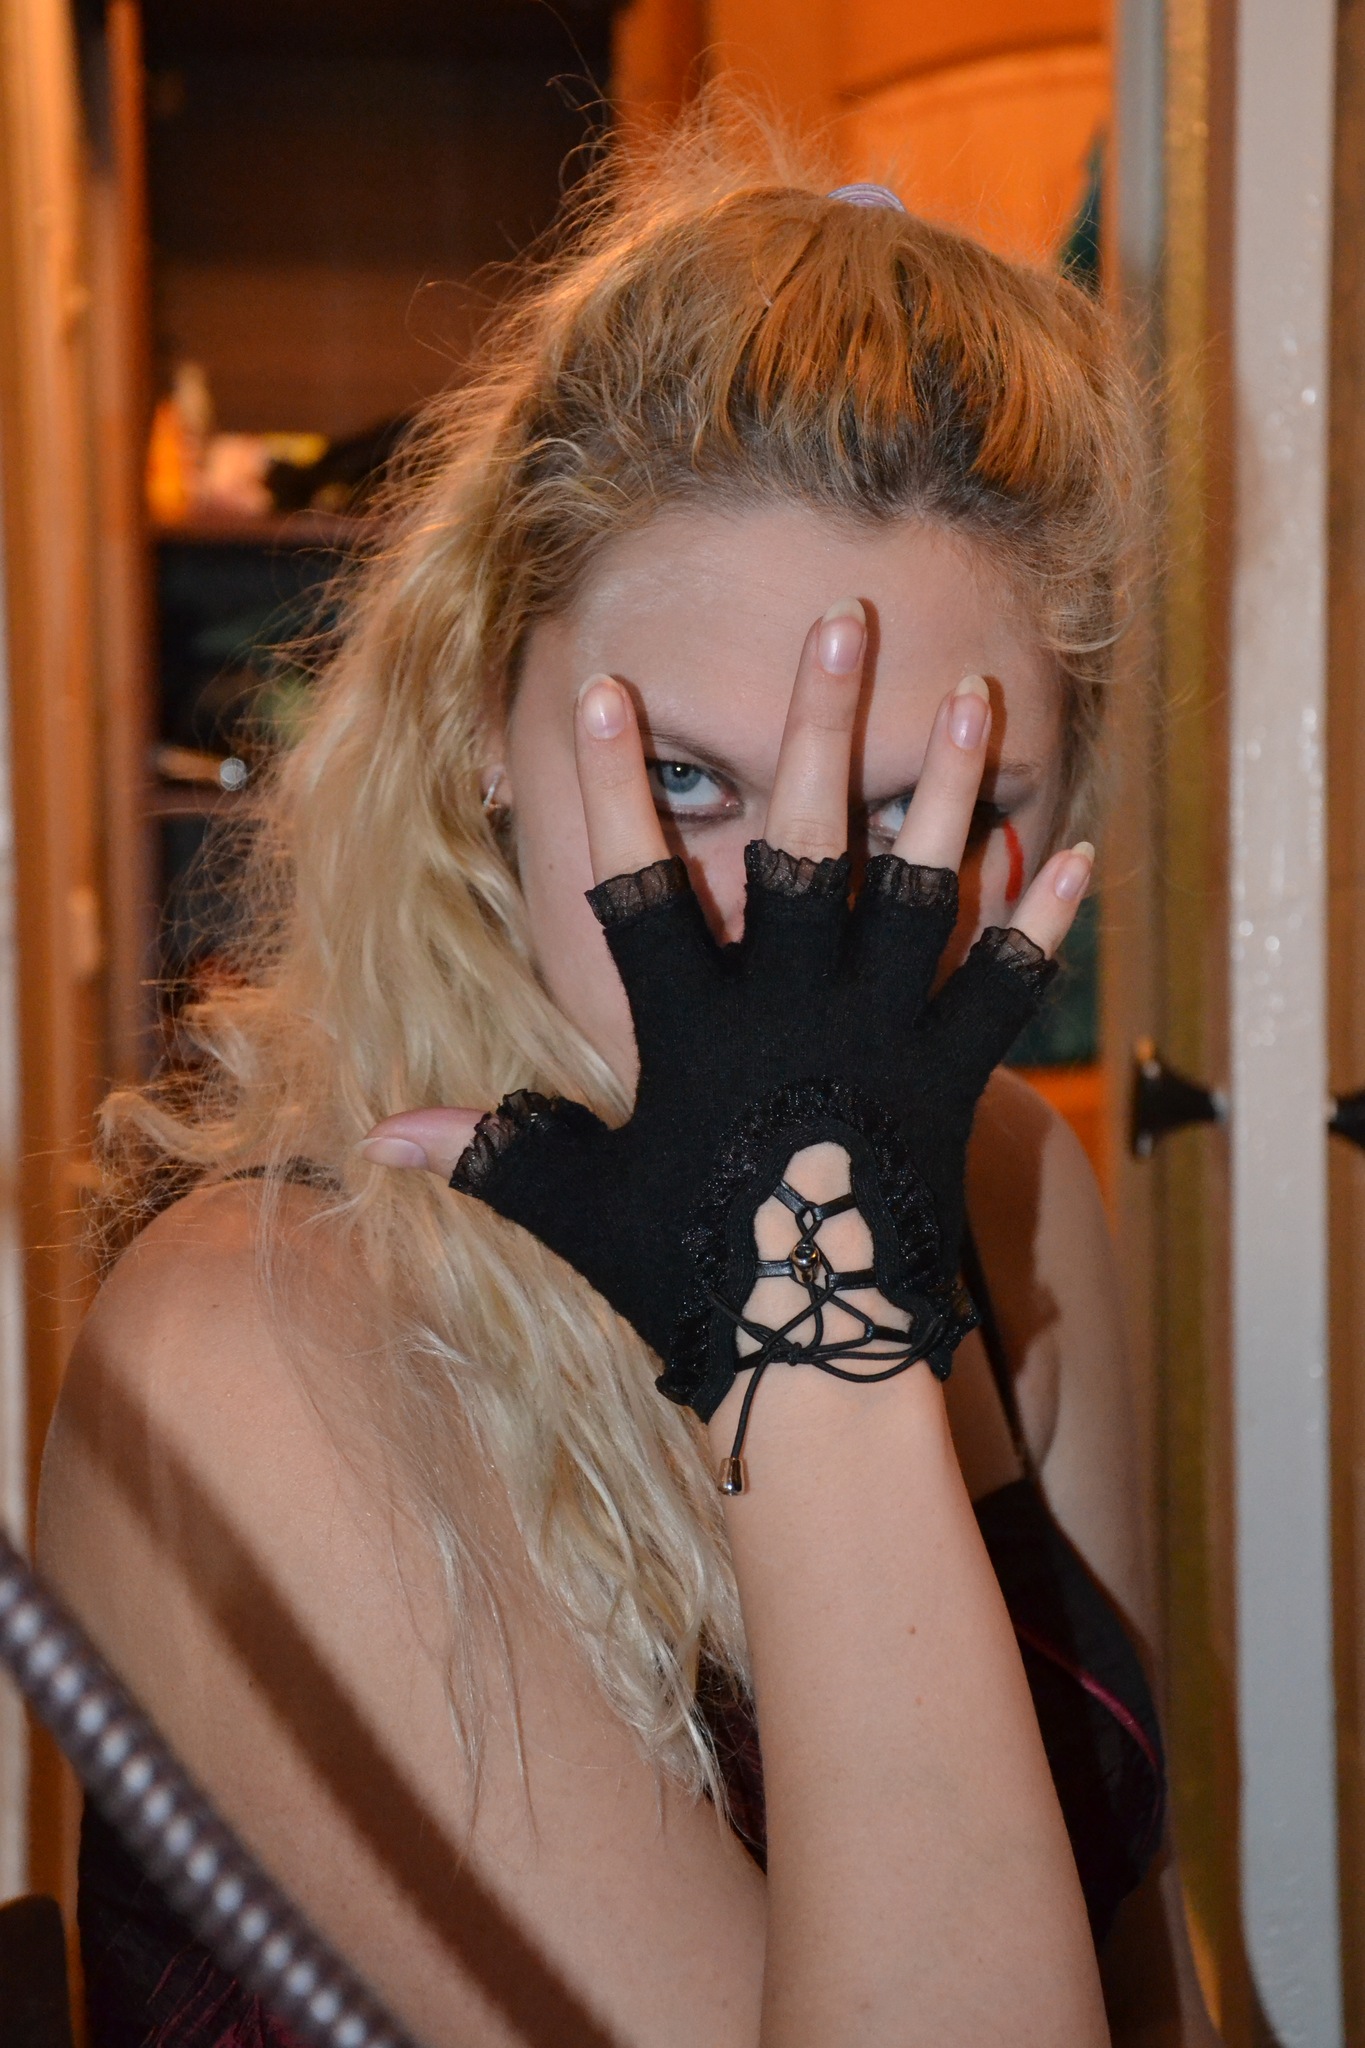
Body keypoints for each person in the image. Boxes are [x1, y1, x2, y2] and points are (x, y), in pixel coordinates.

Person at [38, 113, 1219, 2046]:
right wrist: (814, 1314)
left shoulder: (1013, 1183)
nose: (783, 926)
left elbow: (1139, 1965)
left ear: (1051, 819)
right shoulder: (251, 1352)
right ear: (477, 722)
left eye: (914, 812)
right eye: (683, 779)